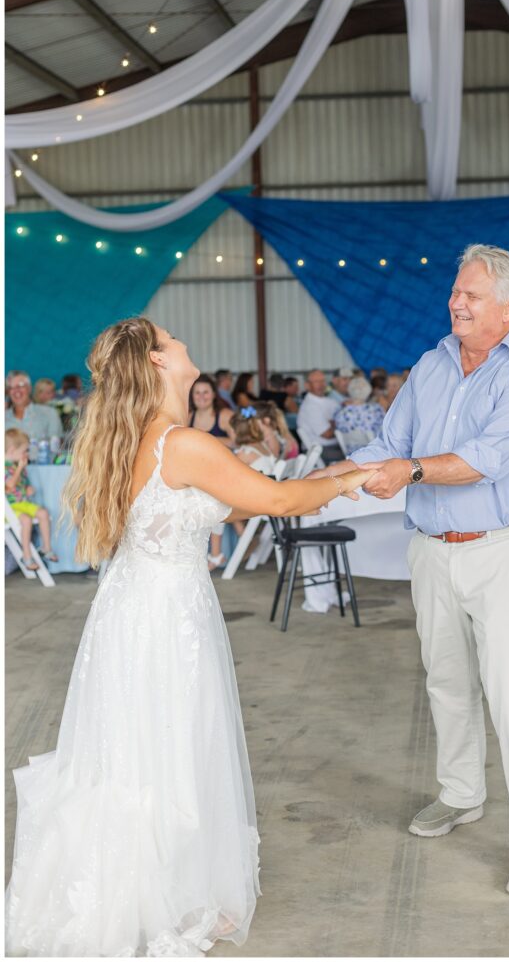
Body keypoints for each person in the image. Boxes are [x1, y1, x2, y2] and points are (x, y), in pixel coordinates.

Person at [5, 316, 372, 957]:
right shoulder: (181, 442)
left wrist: (307, 491)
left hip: (133, 608)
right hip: (165, 614)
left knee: (143, 743)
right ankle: (159, 893)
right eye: (171, 339)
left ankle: (160, 885)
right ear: (155, 362)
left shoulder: (140, 439)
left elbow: (228, 501)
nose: (182, 342)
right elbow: (277, 502)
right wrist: (359, 477)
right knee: (170, 737)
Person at [310, 244, 509, 896]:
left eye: (470, 295)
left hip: (501, 548)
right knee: (446, 681)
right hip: (431, 547)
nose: (455, 302)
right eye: (455, 292)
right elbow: (390, 446)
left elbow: (485, 458)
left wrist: (410, 472)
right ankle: (460, 794)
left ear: (507, 309)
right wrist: (328, 477)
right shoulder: (430, 364)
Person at [189, 373, 235, 570]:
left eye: (205, 392)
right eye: (197, 393)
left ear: (214, 394)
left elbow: (238, 442)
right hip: (195, 474)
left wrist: (204, 439)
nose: (201, 397)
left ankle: (215, 553)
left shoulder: (225, 415)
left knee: (212, 497)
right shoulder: (188, 417)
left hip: (224, 474)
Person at [5, 428, 58, 570]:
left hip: (22, 503)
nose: (26, 454)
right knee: (26, 520)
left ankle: (46, 548)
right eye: (24, 451)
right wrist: (20, 468)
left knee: (44, 513)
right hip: (8, 508)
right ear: (11, 450)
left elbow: (23, 482)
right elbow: (9, 485)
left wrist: (28, 488)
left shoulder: (18, 465)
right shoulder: (4, 466)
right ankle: (26, 556)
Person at [296, 369, 341, 463]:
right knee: (356, 455)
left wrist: (333, 423)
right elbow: (327, 434)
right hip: (320, 450)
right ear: (307, 385)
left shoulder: (328, 401)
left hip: (332, 446)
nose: (321, 385)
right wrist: (337, 423)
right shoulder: (310, 406)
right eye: (316, 382)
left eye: (323, 381)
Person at [5, 371, 63, 441]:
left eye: (20, 386)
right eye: (11, 387)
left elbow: (57, 446)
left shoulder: (49, 413)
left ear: (29, 388)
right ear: (8, 392)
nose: (16, 391)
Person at [333, 376, 385, 447]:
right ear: (368, 391)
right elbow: (384, 433)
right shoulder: (376, 410)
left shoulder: (340, 413)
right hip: (374, 453)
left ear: (350, 390)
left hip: (351, 455)